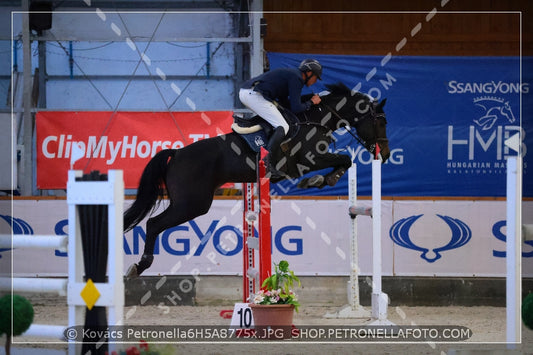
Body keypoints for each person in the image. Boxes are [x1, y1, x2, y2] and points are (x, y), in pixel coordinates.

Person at [239, 58, 323, 177]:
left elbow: (285, 102)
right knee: (283, 126)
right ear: (309, 73)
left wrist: (306, 101)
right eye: (316, 77)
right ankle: (266, 163)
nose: (315, 81)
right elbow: (296, 108)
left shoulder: (293, 75)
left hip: (248, 92)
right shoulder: (297, 78)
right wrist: (311, 102)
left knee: (279, 119)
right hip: (254, 95)